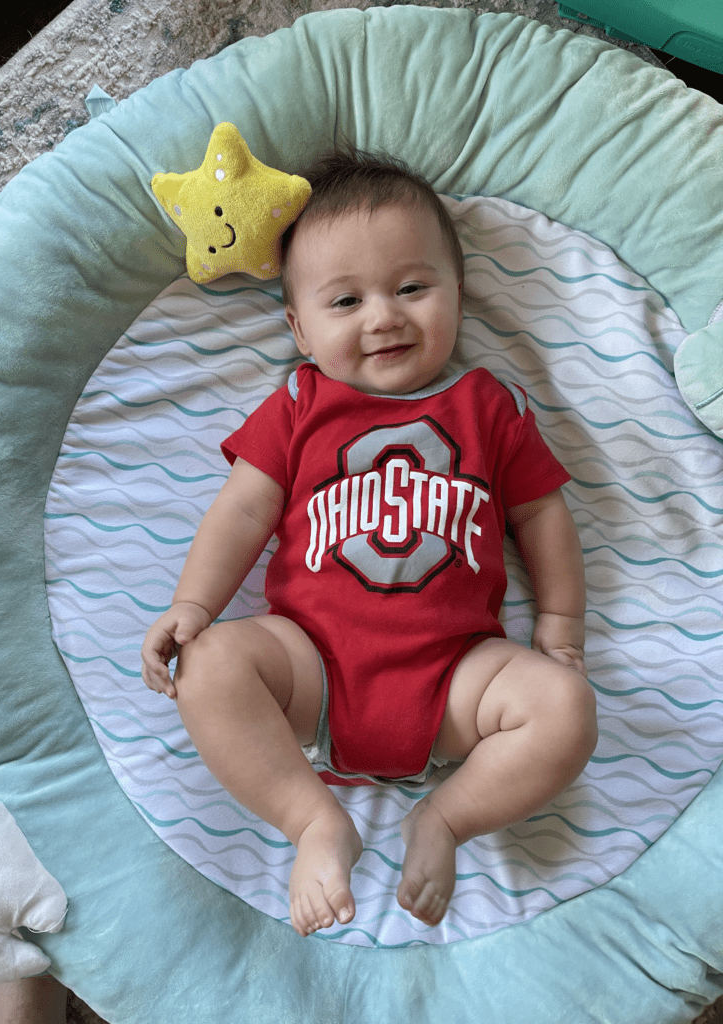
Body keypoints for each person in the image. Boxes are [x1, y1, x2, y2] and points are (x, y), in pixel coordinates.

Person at [141, 148, 598, 938]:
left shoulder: (488, 403)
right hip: (310, 670)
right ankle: (314, 821)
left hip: (459, 679)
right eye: (345, 300)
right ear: (299, 329)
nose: (384, 316)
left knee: (566, 709)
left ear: (458, 293)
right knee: (209, 664)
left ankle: (445, 819)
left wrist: (559, 629)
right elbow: (243, 512)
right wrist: (193, 604)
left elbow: (543, 515)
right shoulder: (297, 404)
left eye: (413, 288)